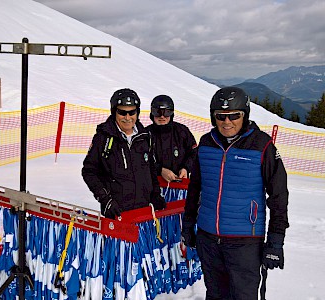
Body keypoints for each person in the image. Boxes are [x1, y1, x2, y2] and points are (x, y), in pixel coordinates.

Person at [182, 86, 289, 299]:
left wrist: (275, 241)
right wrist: (188, 225)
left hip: (245, 243)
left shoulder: (262, 145)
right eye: (221, 116)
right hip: (208, 238)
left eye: (234, 116)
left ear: (244, 115)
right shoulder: (205, 143)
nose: (227, 122)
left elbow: (278, 197)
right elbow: (195, 189)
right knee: (215, 294)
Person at [82, 88, 166, 219]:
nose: (127, 118)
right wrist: (106, 200)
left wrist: (155, 194)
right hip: (117, 214)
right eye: (122, 112)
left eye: (132, 112)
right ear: (114, 112)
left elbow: (151, 169)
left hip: (144, 213)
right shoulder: (104, 138)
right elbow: (89, 171)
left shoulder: (144, 137)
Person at [146, 95, 198, 182]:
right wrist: (160, 170)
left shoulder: (182, 131)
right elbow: (140, 160)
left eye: (166, 113)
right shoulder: (145, 134)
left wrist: (186, 168)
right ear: (152, 113)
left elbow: (194, 153)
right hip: (153, 186)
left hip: (179, 186)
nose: (162, 117)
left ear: (172, 114)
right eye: (158, 112)